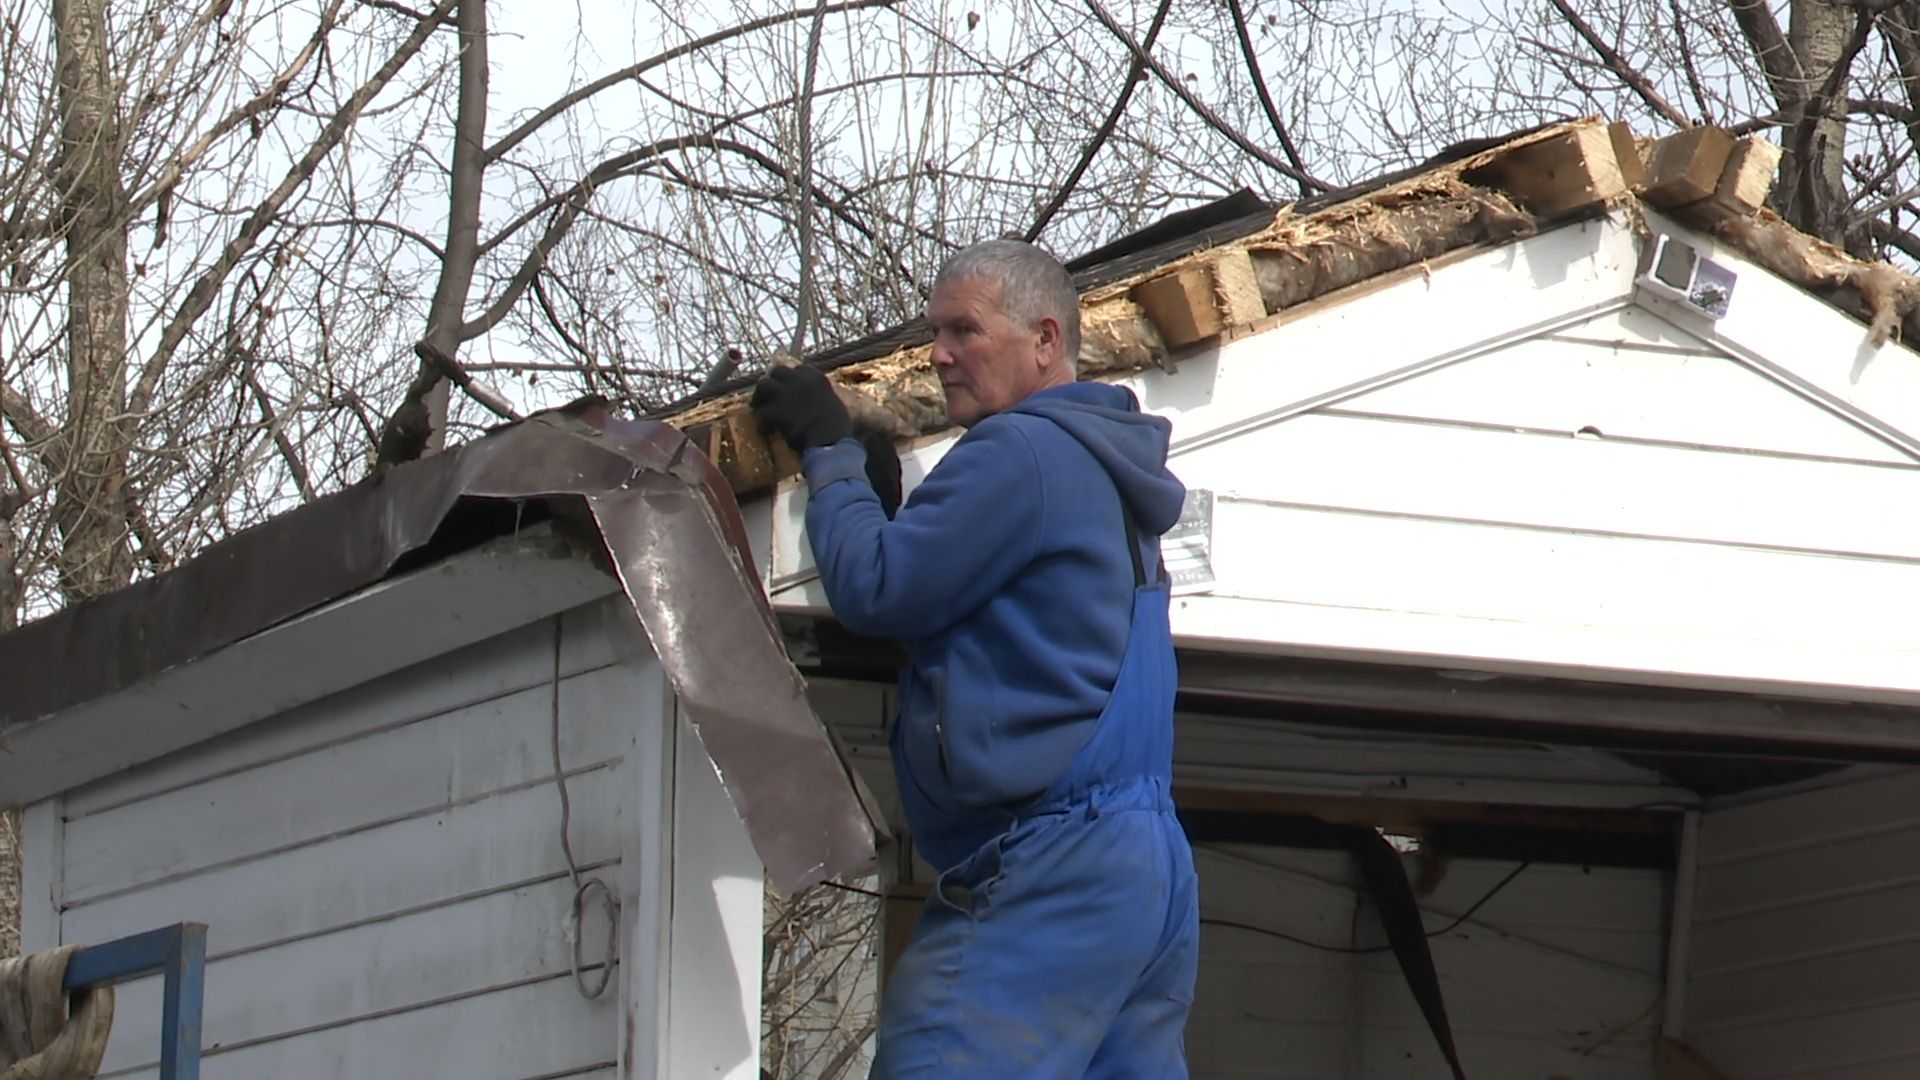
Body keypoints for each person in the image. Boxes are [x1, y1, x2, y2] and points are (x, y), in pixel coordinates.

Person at [751, 239, 1198, 1079]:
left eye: (965, 330)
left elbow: (879, 590)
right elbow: (955, 602)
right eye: (935, 332)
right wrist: (885, 508)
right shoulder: (1104, 468)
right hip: (1146, 873)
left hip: (1053, 866)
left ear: (1045, 339)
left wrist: (830, 452)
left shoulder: (1020, 451)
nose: (939, 354)